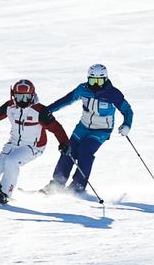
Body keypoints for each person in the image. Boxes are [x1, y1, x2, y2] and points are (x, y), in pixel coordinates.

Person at [0, 79, 70, 205]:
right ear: (13, 95)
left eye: (26, 97)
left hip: (33, 147)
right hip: (13, 144)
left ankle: (4, 194)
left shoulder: (40, 111)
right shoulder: (10, 106)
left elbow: (56, 127)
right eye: (18, 97)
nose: (22, 101)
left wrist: (64, 143)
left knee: (12, 162)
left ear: (32, 95)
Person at [42, 64, 133, 193]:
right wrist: (48, 110)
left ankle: (78, 184)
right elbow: (66, 100)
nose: (95, 85)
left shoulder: (113, 94)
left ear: (105, 79)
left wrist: (127, 124)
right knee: (69, 149)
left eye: (99, 81)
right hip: (83, 127)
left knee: (84, 150)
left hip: (102, 130)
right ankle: (57, 184)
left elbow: (127, 110)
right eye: (92, 81)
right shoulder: (83, 89)